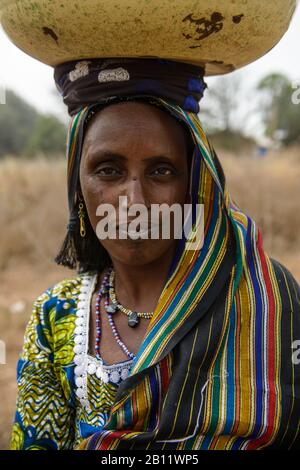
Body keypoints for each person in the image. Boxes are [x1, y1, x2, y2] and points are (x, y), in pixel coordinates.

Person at [10, 58, 300, 450]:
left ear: (195, 184)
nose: (134, 202)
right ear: (78, 187)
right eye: (108, 170)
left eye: (161, 171)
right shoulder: (55, 316)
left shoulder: (266, 300)